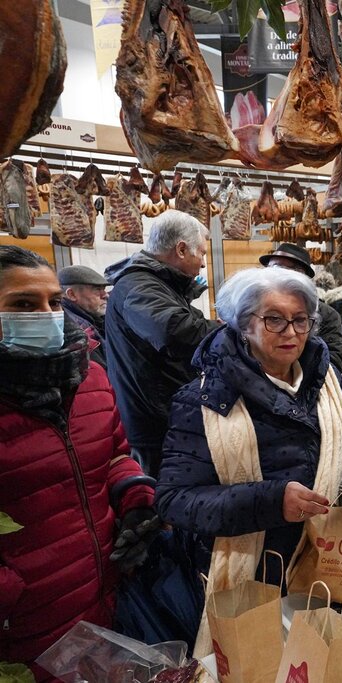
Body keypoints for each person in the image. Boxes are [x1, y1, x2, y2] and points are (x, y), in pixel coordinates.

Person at [156, 267, 342, 656]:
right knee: (255, 662)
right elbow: (174, 499)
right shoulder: (204, 399)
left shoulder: (325, 380)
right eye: (275, 320)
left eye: (301, 320)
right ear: (243, 324)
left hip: (323, 559)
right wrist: (270, 501)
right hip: (251, 569)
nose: (292, 333)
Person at [0, 246, 157, 680]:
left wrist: (137, 497)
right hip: (22, 628)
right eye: (22, 305)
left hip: (104, 594)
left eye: (53, 301)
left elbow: (113, 454)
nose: (46, 314)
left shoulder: (88, 377)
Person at [104, 210, 220, 476]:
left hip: (163, 416)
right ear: (181, 249)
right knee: (165, 501)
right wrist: (235, 334)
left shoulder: (155, 284)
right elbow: (174, 331)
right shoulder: (139, 286)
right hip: (153, 425)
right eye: (201, 253)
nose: (203, 264)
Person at [260, 243, 342, 376]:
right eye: (272, 268)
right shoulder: (254, 308)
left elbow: (335, 362)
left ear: (301, 276)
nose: (274, 274)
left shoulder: (326, 315)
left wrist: (291, 372)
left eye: (280, 268)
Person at [59, 264, 110, 368]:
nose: (105, 295)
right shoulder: (79, 330)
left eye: (104, 289)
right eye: (97, 289)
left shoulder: (92, 318)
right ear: (72, 295)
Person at [315, 270, 342, 369]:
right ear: (333, 284)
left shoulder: (312, 302)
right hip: (335, 348)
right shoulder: (339, 302)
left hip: (316, 348)